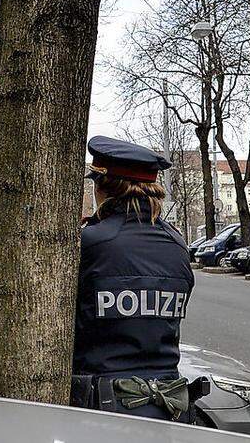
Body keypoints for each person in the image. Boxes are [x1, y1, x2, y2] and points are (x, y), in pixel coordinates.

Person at [71, 136, 197, 422]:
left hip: (101, 410)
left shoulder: (91, 242)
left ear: (104, 187)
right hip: (167, 409)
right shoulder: (177, 245)